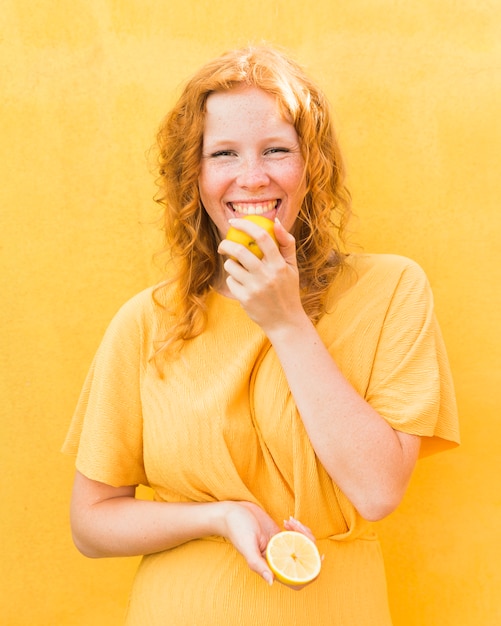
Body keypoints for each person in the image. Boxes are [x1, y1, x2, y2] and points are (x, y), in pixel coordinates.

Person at [62, 44, 460, 625]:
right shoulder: (147, 321)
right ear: (193, 176)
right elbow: (91, 523)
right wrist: (218, 516)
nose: (252, 177)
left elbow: (377, 491)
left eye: (277, 149)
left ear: (312, 166)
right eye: (223, 153)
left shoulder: (392, 290)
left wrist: (286, 320)